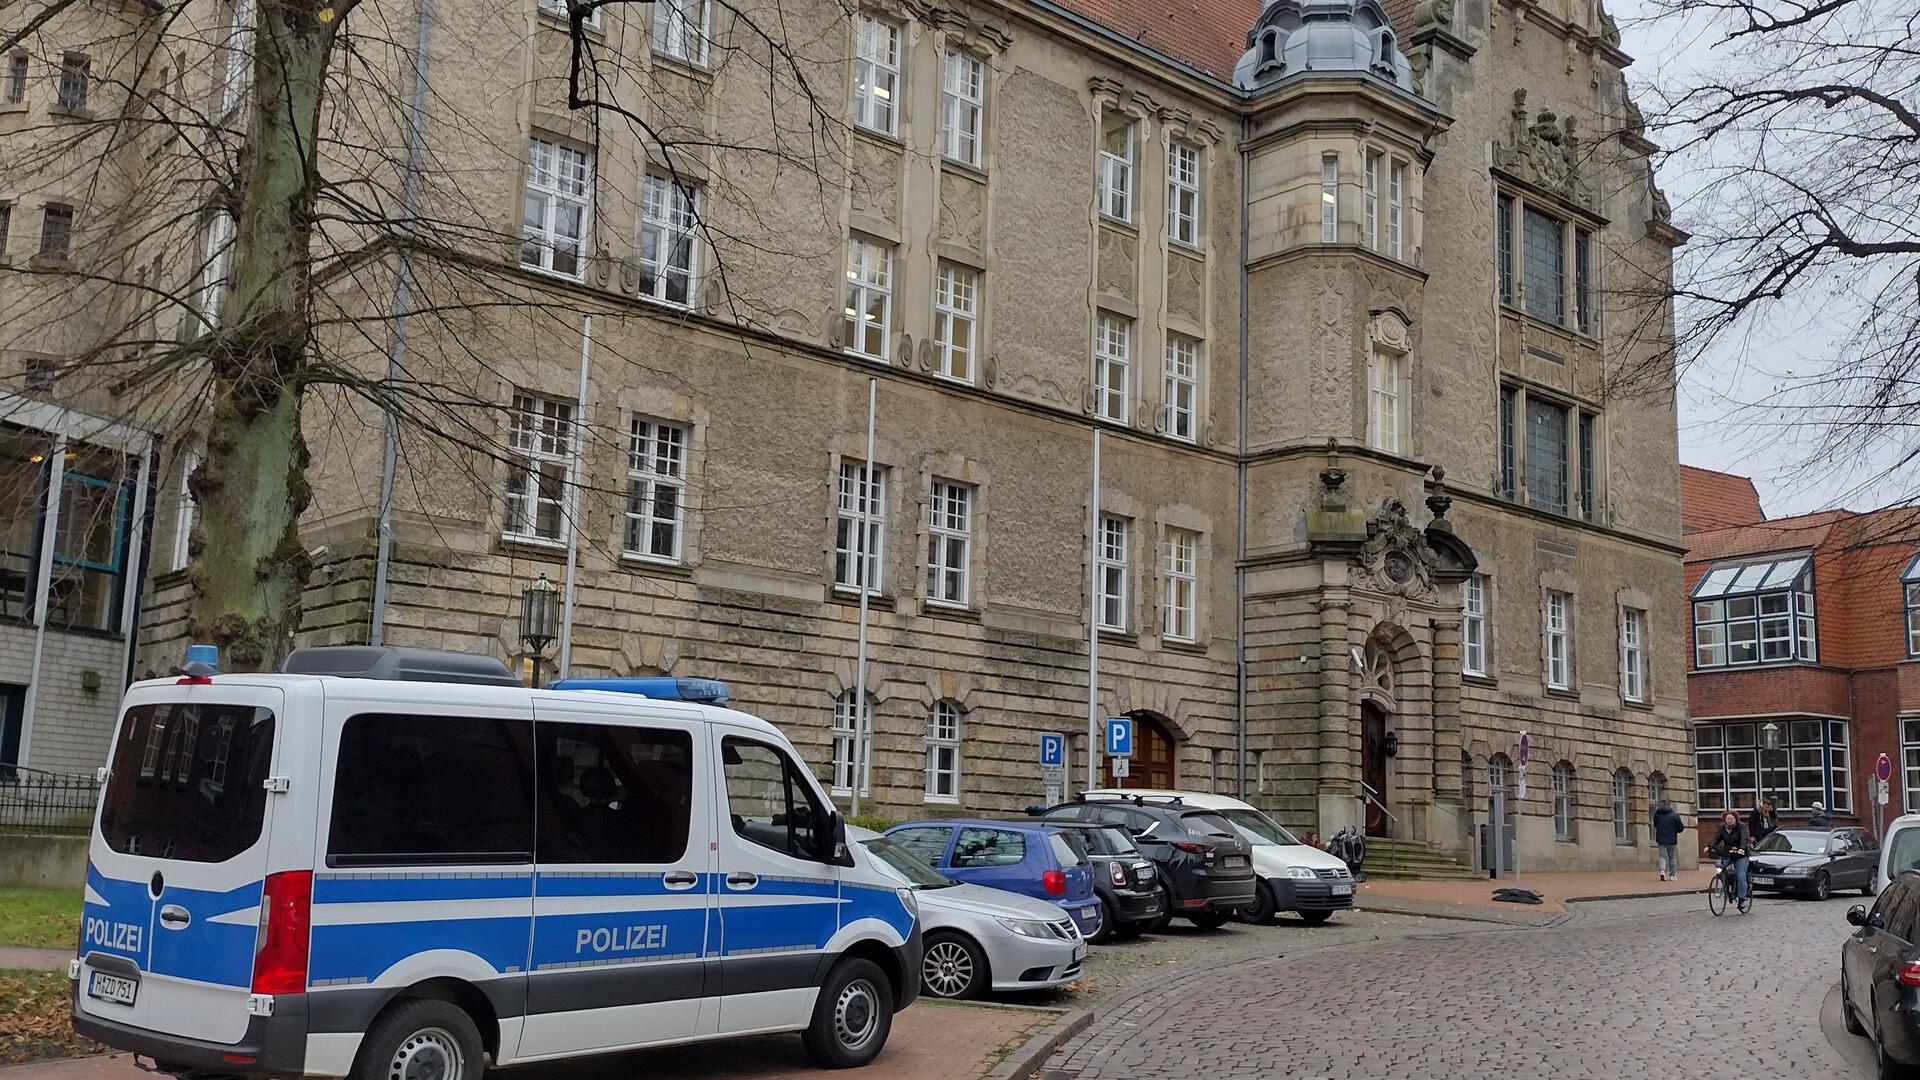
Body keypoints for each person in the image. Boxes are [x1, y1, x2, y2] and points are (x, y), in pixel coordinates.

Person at [1709, 810, 1752, 909]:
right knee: (1719, 867)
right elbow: (1716, 838)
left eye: (1731, 819)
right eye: (1727, 819)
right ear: (1724, 819)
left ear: (1735, 819)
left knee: (1741, 876)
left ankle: (1741, 899)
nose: (1729, 820)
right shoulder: (1722, 827)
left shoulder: (1742, 826)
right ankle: (1727, 884)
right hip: (1728, 853)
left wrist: (1741, 848)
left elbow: (1744, 838)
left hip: (1741, 855)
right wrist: (1710, 846)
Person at [1652, 799, 1686, 882]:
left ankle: (1662, 871)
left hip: (1661, 839)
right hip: (1671, 839)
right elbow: (1681, 828)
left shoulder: (1657, 814)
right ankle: (1672, 875)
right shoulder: (1674, 815)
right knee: (1672, 857)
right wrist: (1675, 830)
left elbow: (1655, 825)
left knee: (1662, 856)